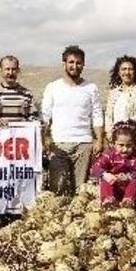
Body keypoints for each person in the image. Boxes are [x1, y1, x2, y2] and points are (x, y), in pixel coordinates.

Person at [41, 45, 104, 195]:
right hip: (59, 145)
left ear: (83, 65)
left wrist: (99, 140)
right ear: (64, 64)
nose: (74, 66)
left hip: (84, 144)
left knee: (80, 190)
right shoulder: (53, 87)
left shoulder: (91, 88)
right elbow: (45, 116)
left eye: (78, 63)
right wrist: (43, 141)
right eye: (71, 62)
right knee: (58, 188)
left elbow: (97, 115)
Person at [90, 122, 136, 208]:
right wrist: (105, 174)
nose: (125, 149)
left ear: (134, 145)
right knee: (105, 181)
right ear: (113, 144)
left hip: (129, 187)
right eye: (121, 145)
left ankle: (128, 201)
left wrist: (129, 176)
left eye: (129, 145)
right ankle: (108, 200)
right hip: (114, 185)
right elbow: (95, 168)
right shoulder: (109, 155)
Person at [104, 56, 136, 141]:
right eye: (123, 69)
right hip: (115, 138)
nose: (127, 72)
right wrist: (109, 132)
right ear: (118, 72)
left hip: (133, 136)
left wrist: (127, 125)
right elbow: (108, 115)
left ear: (135, 72)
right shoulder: (113, 93)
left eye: (130, 69)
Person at [0, 55, 37, 123]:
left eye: (13, 69)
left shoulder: (27, 94)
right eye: (7, 69)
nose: (10, 73)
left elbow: (34, 117)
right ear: (1, 70)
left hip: (21, 133)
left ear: (18, 70)